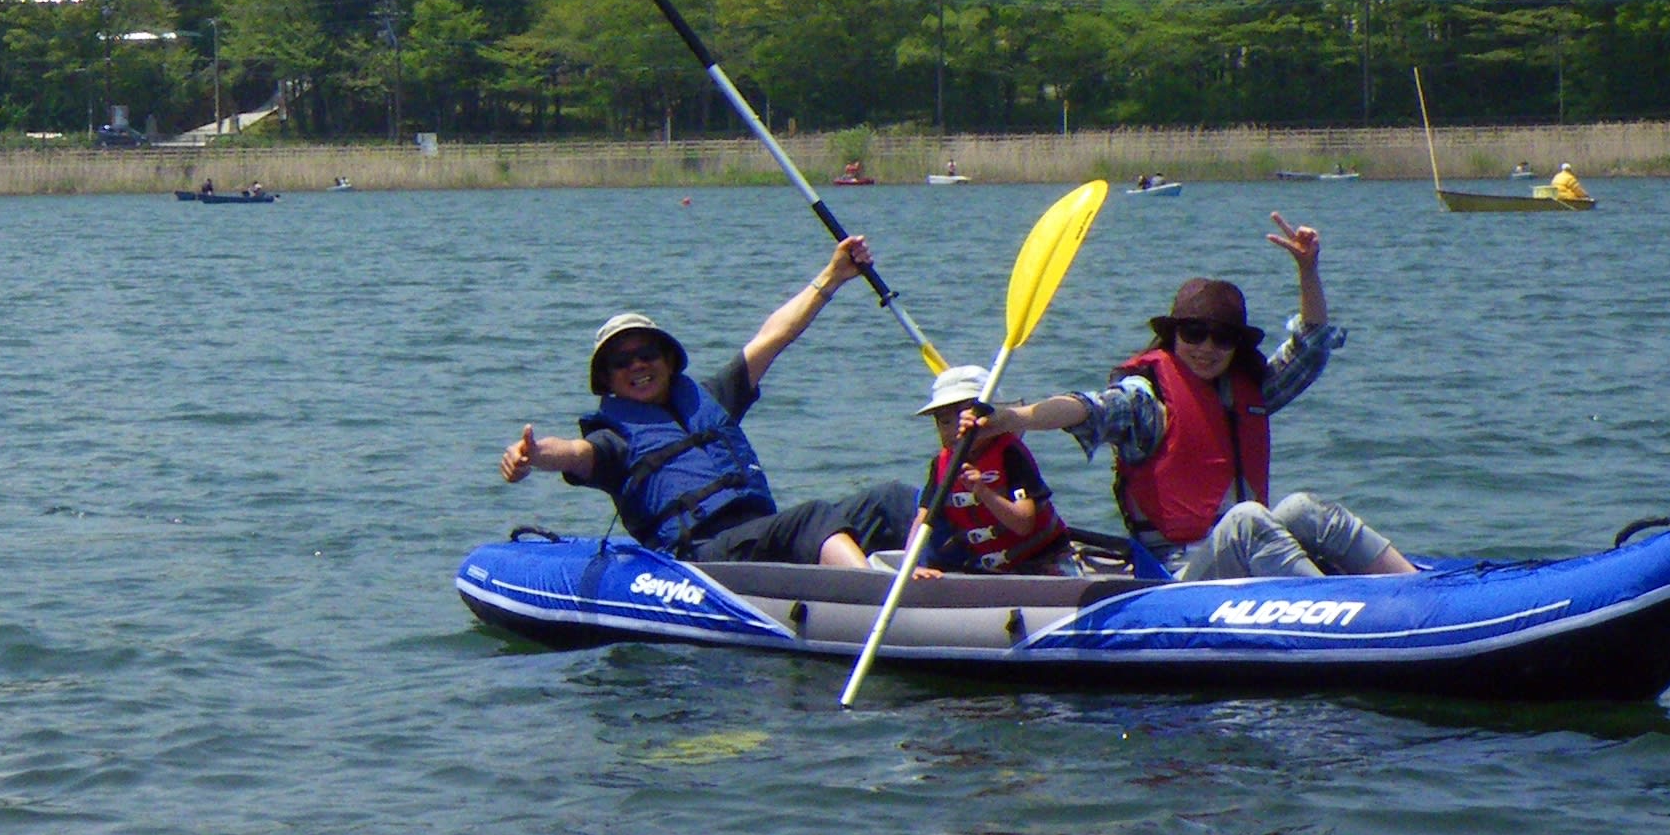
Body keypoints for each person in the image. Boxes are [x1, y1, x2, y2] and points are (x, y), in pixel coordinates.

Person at [981, 215, 1416, 581]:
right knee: (1247, 519)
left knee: (1303, 508)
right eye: (1193, 334)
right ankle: (1342, 609)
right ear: (1173, 336)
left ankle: (1418, 586)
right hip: (1179, 572)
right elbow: (1086, 408)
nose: (1207, 348)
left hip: (1247, 549)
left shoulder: (1248, 389)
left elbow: (1311, 347)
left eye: (1222, 338)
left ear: (1236, 346)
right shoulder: (1146, 401)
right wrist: (1013, 417)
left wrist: (1308, 270)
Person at [500, 236, 919, 571]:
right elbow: (573, 454)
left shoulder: (711, 397)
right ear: (608, 380)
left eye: (647, 353)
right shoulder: (613, 440)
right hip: (705, 554)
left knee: (893, 500)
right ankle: (878, 601)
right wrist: (533, 454)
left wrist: (833, 276)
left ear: (668, 360)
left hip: (759, 532)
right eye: (621, 361)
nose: (638, 365)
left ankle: (969, 567)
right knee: (810, 519)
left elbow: (773, 338)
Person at [915, 364, 1079, 574]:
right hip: (989, 567)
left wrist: (983, 492)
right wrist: (914, 565)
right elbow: (922, 520)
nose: (956, 429)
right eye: (945, 421)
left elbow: (1023, 524)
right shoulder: (941, 463)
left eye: (963, 416)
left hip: (1042, 560)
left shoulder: (1010, 453)